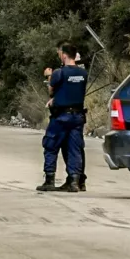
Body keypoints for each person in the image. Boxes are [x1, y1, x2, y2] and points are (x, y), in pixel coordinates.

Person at [37, 43, 88, 193]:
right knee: (74, 149)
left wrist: (48, 76)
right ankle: (74, 181)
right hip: (78, 116)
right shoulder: (83, 74)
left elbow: (51, 91)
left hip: (60, 116)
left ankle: (49, 180)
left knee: (51, 146)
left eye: (60, 53)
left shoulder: (59, 73)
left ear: (64, 55)